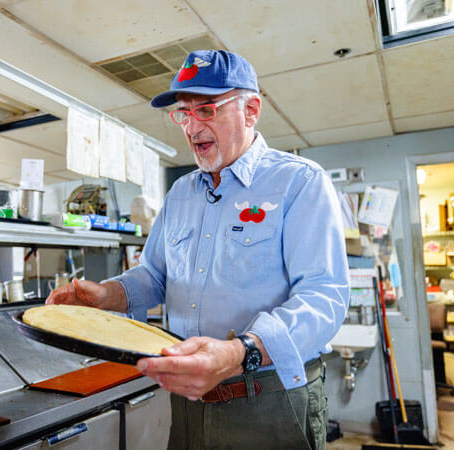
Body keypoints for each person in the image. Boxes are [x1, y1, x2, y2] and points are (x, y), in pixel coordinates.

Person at [47, 50, 349, 449]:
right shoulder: (181, 193)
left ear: (251, 110)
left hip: (269, 399)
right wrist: (108, 294)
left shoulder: (298, 183)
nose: (192, 127)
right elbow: (155, 275)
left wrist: (241, 352)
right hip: (189, 402)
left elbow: (324, 297)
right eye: (184, 114)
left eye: (206, 109)